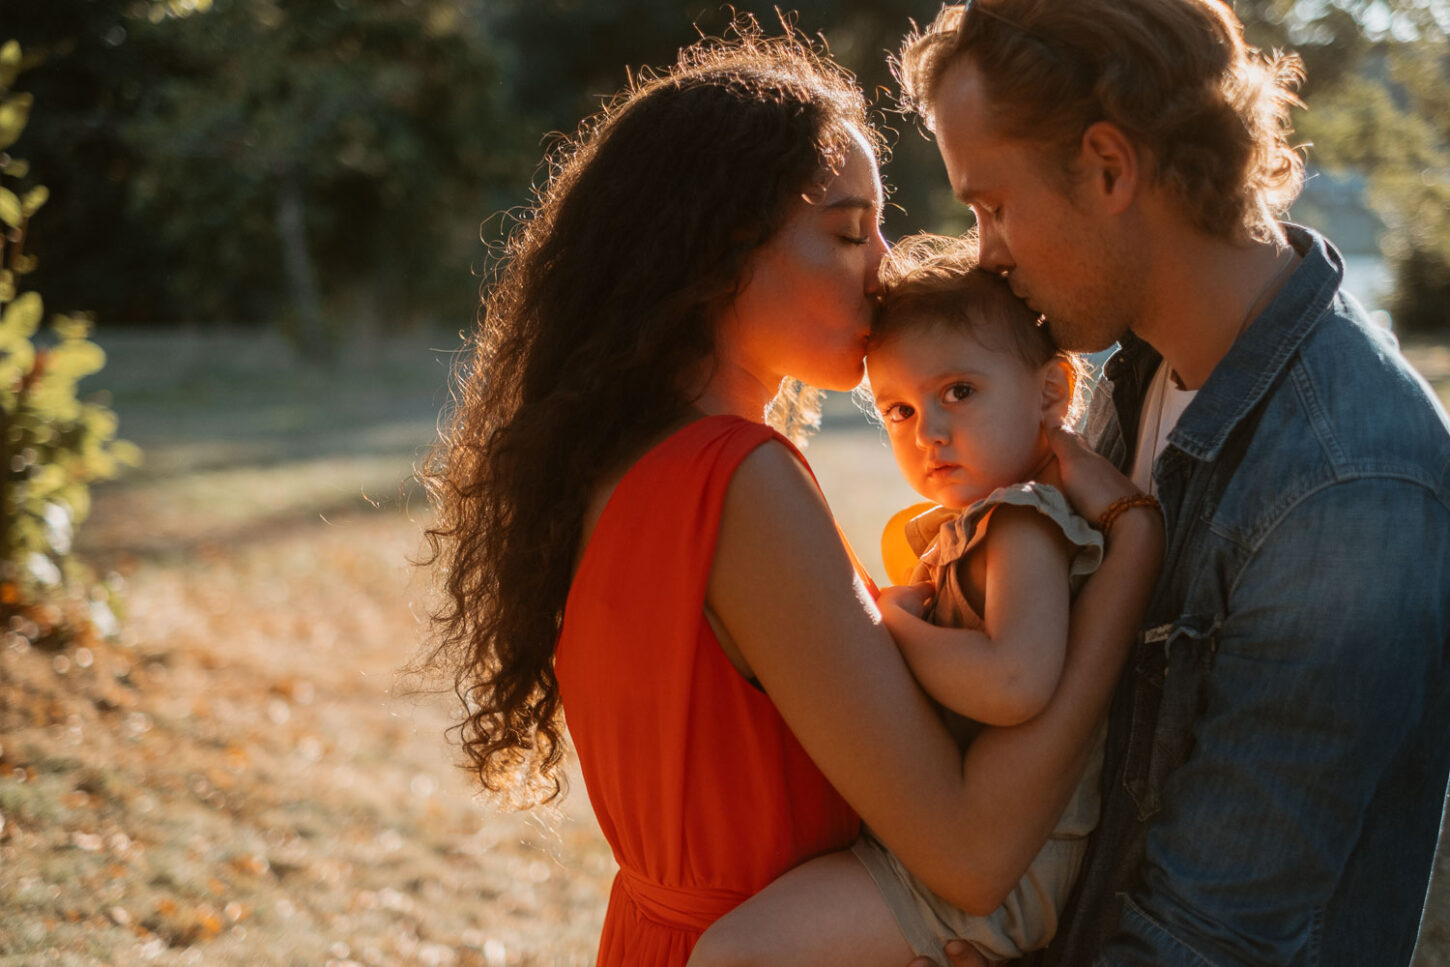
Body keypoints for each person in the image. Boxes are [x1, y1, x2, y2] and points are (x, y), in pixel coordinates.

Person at [417, 20, 1163, 967]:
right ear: (717, 252)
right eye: (849, 230)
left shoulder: (617, 463)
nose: (883, 263)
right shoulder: (737, 483)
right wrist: (1131, 557)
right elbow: (972, 861)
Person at [889, 2, 1450, 964]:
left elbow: (1210, 938)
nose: (985, 252)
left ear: (1110, 168)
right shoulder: (1138, 370)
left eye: (994, 207)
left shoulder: (1347, 487)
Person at [688, 233, 1156, 967]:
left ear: (1052, 394)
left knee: (734, 954)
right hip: (947, 849)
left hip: (993, 878)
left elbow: (1016, 680)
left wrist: (892, 624)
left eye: (958, 392)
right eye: (899, 410)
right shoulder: (977, 527)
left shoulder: (1022, 524)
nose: (930, 432)